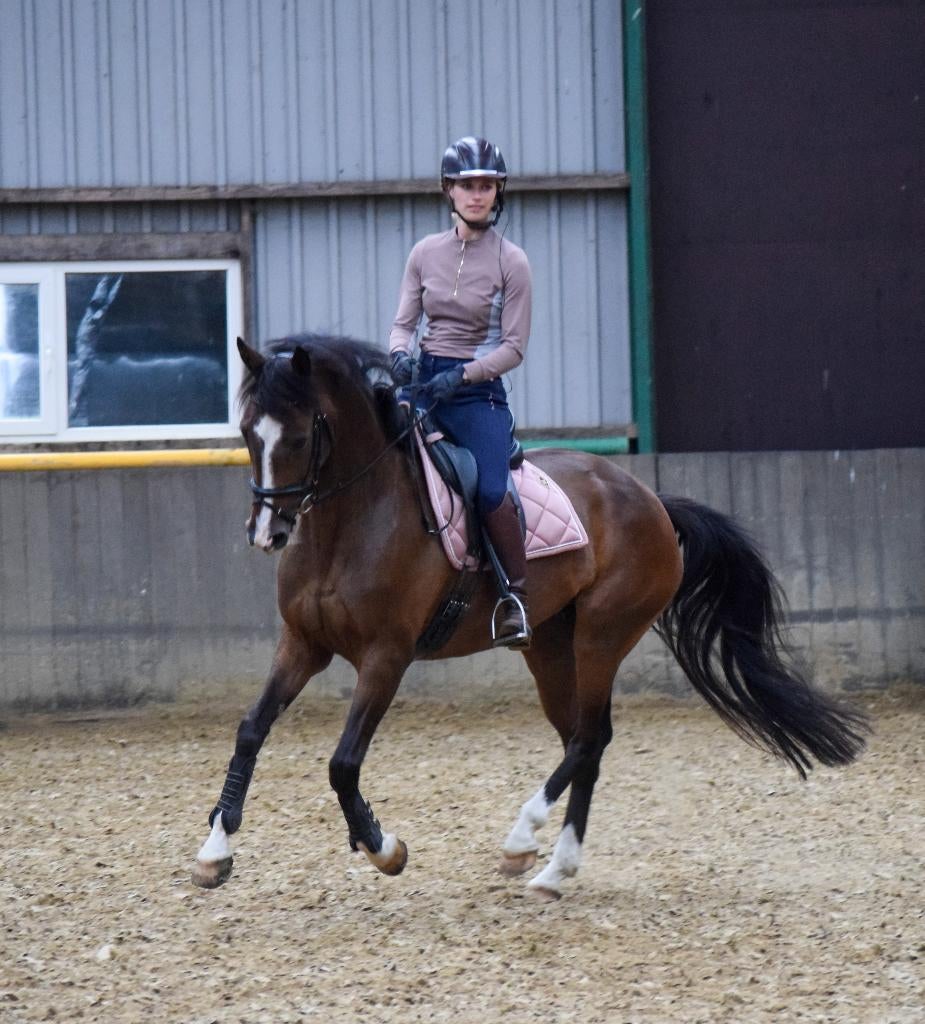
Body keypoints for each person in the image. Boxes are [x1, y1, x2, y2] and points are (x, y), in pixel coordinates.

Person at [389, 136, 533, 649]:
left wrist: (465, 375)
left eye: (487, 186)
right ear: (449, 191)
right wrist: (399, 354)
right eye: (468, 186)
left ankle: (515, 598)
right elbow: (403, 323)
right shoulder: (424, 253)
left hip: (478, 395)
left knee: (492, 489)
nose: (478, 195)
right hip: (423, 381)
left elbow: (514, 347)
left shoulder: (511, 262)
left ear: (498, 194)